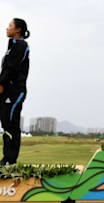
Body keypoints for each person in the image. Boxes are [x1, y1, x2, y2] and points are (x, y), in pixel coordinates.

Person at [0, 18, 30, 166]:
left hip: (15, 92)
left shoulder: (21, 45)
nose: (7, 28)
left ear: (17, 30)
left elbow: (11, 69)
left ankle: (10, 160)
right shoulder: (12, 46)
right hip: (7, 91)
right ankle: (6, 159)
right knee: (6, 124)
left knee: (11, 125)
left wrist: (1, 83)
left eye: (10, 25)